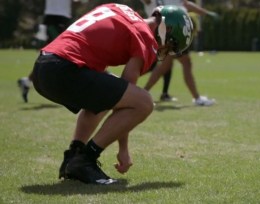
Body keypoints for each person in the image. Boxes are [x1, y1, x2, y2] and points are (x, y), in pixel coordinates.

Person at [31, 3, 194, 184]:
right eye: (170, 44)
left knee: (106, 90)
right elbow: (127, 101)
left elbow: (116, 92)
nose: (165, 50)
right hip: (64, 69)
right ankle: (86, 159)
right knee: (144, 102)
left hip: (43, 66)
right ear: (167, 28)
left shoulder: (120, 8)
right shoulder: (145, 38)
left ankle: (74, 155)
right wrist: (123, 149)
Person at [141, 0, 218, 106]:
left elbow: (186, 4)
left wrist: (205, 13)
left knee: (168, 65)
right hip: (171, 33)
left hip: (171, 33)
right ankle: (197, 98)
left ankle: (143, 93)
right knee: (180, 63)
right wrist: (206, 13)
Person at [17, 0, 87, 103]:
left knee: (56, 53)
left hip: (51, 19)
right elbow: (77, 2)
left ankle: (27, 81)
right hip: (59, 19)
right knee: (61, 52)